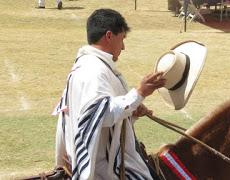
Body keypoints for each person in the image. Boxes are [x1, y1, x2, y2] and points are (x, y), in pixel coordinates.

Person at [53, 8, 165, 180]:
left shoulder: (88, 66)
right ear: (109, 36)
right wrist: (139, 93)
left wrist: (132, 110)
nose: (124, 47)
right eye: (122, 39)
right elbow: (101, 115)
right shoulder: (94, 71)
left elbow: (94, 115)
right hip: (104, 171)